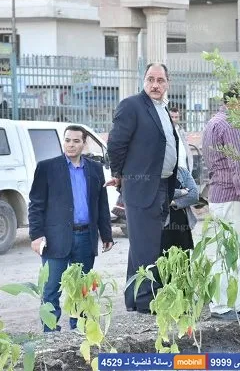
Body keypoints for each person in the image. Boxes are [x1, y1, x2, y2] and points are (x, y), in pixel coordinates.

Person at [106, 63, 179, 314]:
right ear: (143, 81)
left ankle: (134, 298)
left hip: (162, 185)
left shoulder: (162, 108)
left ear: (167, 83)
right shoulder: (132, 105)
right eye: (150, 79)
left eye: (160, 80)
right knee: (147, 247)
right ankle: (147, 302)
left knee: (142, 246)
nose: (155, 85)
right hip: (141, 187)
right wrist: (119, 175)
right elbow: (116, 144)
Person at [29, 125, 113, 332]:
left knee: (81, 288)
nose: (71, 145)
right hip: (55, 238)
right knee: (51, 288)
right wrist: (36, 235)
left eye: (76, 141)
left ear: (84, 144)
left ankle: (79, 330)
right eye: (67, 140)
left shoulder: (95, 169)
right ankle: (50, 333)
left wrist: (106, 234)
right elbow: (36, 204)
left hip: (85, 237)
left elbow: (101, 204)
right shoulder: (47, 168)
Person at [203, 83, 240, 321]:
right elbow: (239, 163)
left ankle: (234, 303)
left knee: (227, 251)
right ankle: (222, 306)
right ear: (238, 101)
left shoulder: (214, 122)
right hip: (234, 197)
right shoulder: (231, 124)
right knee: (232, 253)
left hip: (219, 194)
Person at [161, 165, 199, 253]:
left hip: (182, 226)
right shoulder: (155, 172)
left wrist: (172, 202)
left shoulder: (183, 172)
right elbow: (158, 193)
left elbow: (194, 195)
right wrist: (181, 192)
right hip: (162, 227)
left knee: (183, 258)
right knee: (164, 258)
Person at [169, 106, 194, 171]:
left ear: (179, 117)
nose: (174, 119)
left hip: (185, 166)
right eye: (172, 117)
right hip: (172, 168)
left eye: (176, 117)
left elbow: (186, 147)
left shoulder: (181, 130)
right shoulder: (166, 131)